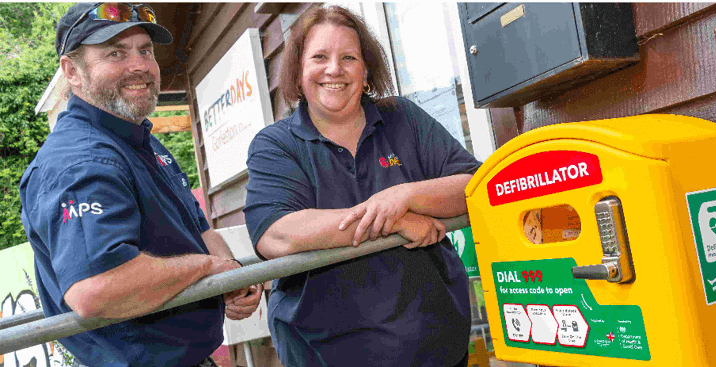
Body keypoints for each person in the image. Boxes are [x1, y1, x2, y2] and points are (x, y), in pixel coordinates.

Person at [19, 3, 263, 366]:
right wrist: (209, 269)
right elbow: (96, 290)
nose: (140, 65)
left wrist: (229, 275)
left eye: (145, 50)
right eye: (115, 52)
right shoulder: (80, 162)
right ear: (72, 71)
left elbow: (198, 227)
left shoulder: (139, 139)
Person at [243, 5, 481, 367]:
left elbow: (473, 187)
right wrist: (393, 221)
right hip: (325, 352)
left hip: (435, 346)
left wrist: (403, 196)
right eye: (319, 57)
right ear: (298, 71)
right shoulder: (276, 144)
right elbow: (278, 234)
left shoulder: (402, 118)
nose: (334, 69)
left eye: (349, 57)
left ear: (366, 70)